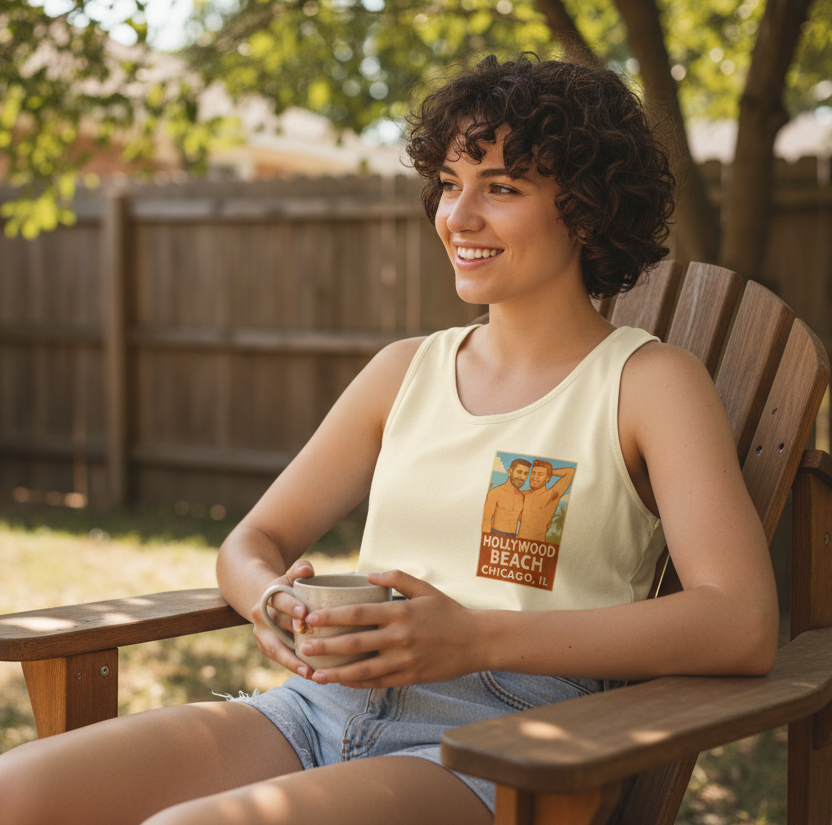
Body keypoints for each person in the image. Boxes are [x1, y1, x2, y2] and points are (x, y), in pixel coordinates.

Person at [0, 54, 779, 825]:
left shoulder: (647, 385)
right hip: (315, 708)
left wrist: (475, 637)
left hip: (506, 746)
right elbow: (254, 539)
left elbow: (741, 621)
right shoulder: (404, 371)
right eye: (448, 184)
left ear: (585, 208)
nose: (458, 217)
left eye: (500, 188)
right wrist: (269, 600)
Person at [481, 457, 530, 535]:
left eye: (525, 474)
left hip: (512, 538)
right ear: (510, 472)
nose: (522, 477)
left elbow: (523, 520)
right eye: (519, 472)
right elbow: (486, 519)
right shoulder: (495, 492)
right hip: (495, 535)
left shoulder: (522, 497)